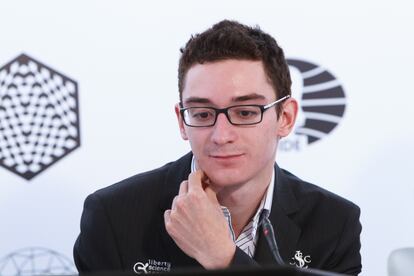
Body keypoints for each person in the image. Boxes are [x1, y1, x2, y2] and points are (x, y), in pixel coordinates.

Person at [73, 20, 362, 275]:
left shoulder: (333, 223)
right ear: (182, 122)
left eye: (246, 112)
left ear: (285, 118)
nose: (221, 135)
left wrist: (222, 257)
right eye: (202, 114)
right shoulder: (113, 216)